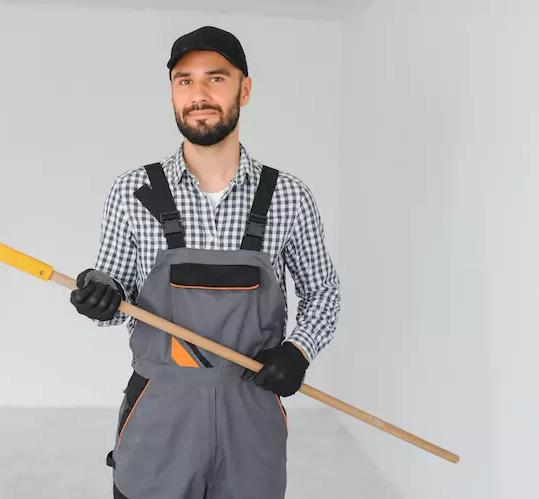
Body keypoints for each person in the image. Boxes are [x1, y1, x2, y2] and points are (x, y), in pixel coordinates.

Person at [70, 25, 341, 499]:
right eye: (185, 80)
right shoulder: (132, 192)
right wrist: (99, 291)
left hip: (250, 408)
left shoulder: (288, 197)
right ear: (173, 93)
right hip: (160, 409)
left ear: (245, 88)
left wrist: (297, 351)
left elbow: (323, 292)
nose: (199, 94)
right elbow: (112, 285)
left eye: (216, 78)